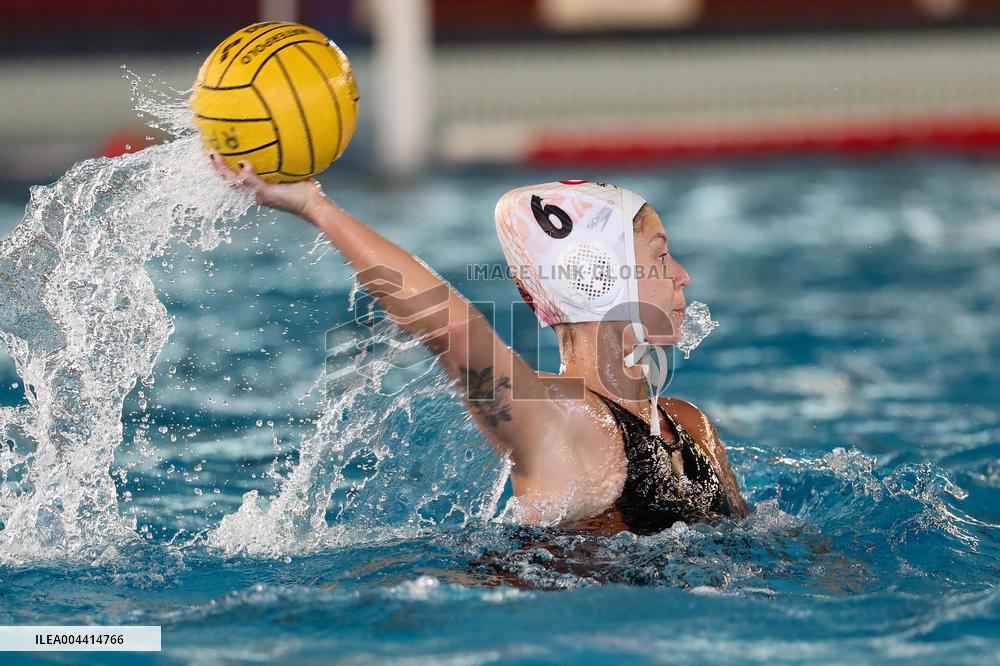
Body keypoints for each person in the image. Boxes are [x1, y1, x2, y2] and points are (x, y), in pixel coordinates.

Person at [210, 156, 749, 535]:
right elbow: (449, 327)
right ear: (598, 277)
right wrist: (316, 207)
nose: (682, 276)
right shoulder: (563, 427)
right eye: (660, 257)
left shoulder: (691, 425)